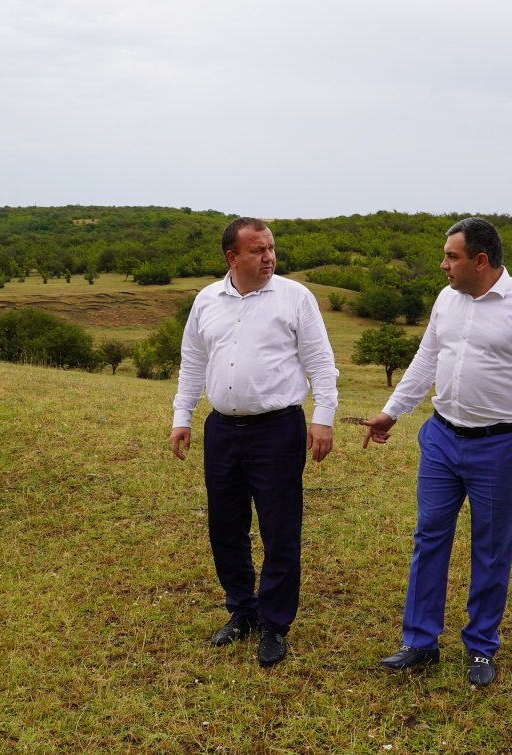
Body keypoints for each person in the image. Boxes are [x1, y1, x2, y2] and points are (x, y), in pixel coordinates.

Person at [363, 217, 512, 686]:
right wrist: (392, 412)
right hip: (441, 437)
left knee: (493, 548)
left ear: (480, 260)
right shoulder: (446, 299)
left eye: (451, 257)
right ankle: (420, 643)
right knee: (429, 537)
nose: (443, 265)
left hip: (498, 444)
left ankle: (480, 647)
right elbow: (426, 359)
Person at [169, 217, 338, 667]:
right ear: (232, 257)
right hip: (222, 429)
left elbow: (321, 362)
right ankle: (242, 610)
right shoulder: (207, 300)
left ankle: (274, 624)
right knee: (225, 526)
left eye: (271, 248)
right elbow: (192, 362)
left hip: (278, 429)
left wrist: (323, 419)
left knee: (280, 529)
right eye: (257, 250)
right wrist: (182, 417)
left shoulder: (295, 297)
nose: (268, 257)